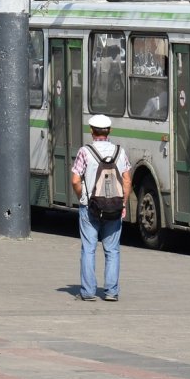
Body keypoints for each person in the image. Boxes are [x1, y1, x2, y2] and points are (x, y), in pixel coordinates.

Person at [70, 113, 131, 302]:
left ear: (91, 131)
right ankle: (111, 291)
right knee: (112, 250)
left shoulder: (85, 151)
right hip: (114, 207)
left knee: (88, 249)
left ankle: (88, 292)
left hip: (90, 207)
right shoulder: (120, 152)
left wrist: (82, 197)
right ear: (109, 131)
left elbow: (75, 179)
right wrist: (123, 203)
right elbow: (127, 179)